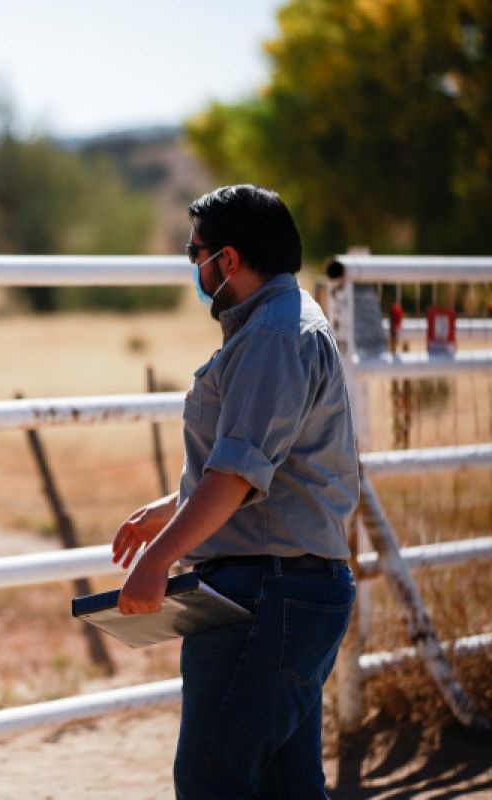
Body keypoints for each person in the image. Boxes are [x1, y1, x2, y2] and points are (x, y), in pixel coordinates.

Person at [111, 185, 359, 798]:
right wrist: (174, 507)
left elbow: (238, 477)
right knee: (284, 783)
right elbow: (268, 464)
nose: (192, 267)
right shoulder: (280, 323)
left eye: (194, 252)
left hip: (269, 596)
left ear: (228, 259)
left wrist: (157, 560)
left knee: (211, 778)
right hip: (287, 589)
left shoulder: (273, 335)